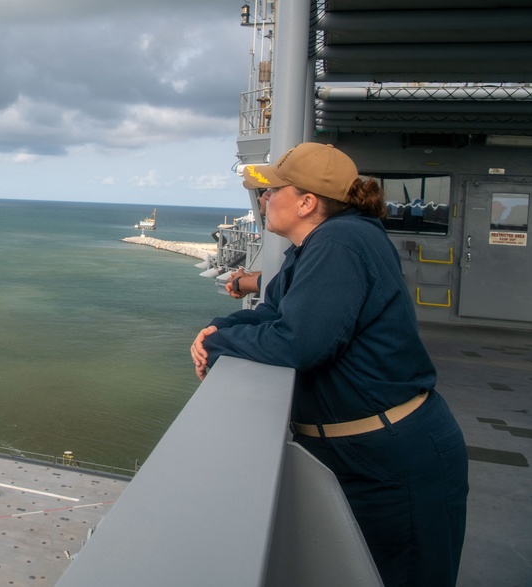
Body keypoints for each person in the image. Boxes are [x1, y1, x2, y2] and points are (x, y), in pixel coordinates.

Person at [190, 142, 468, 586]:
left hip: (393, 459)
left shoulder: (341, 242)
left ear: (306, 202)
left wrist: (221, 343)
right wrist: (217, 328)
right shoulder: (317, 245)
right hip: (363, 452)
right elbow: (274, 311)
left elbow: (299, 343)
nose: (263, 200)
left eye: (271, 191)